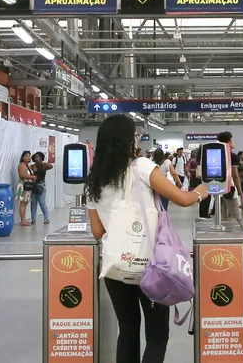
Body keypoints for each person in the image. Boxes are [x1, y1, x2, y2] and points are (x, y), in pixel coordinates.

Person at [85, 115, 211, 363]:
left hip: (116, 268)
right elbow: (182, 199)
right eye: (134, 135)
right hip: (150, 265)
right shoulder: (142, 166)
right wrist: (201, 191)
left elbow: (97, 231)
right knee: (156, 336)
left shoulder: (94, 179)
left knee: (127, 332)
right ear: (127, 140)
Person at [30, 152, 53, 225]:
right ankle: (33, 219)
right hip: (34, 185)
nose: (37, 158)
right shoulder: (32, 166)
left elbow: (51, 166)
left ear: (41, 157)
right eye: (35, 157)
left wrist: (43, 163)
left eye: (38, 157)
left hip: (41, 185)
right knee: (33, 203)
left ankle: (46, 219)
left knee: (42, 203)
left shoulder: (44, 165)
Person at [17, 150, 35, 226]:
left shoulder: (27, 165)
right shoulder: (21, 165)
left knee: (25, 202)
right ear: (23, 157)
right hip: (23, 185)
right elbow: (22, 174)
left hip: (28, 186)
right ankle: (23, 220)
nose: (28, 157)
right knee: (23, 203)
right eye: (27, 156)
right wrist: (32, 177)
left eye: (29, 155)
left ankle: (24, 219)